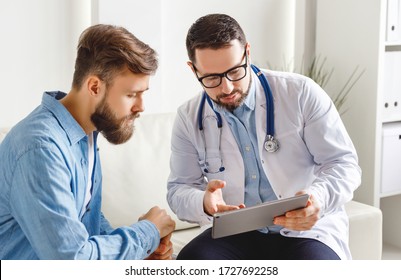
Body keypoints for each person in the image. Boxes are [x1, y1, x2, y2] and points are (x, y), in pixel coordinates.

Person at [167, 14, 361, 260]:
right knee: (192, 262)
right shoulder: (188, 117)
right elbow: (178, 189)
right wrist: (203, 202)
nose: (226, 88)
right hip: (234, 233)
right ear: (193, 69)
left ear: (247, 53)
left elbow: (344, 164)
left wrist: (318, 198)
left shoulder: (300, 93)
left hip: (305, 231)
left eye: (234, 71)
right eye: (211, 78)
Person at [0, 24, 175, 260]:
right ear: (94, 87)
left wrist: (137, 253)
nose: (141, 106)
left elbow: (85, 219)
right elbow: (72, 260)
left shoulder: (87, 131)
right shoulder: (40, 149)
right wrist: (148, 232)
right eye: (131, 94)